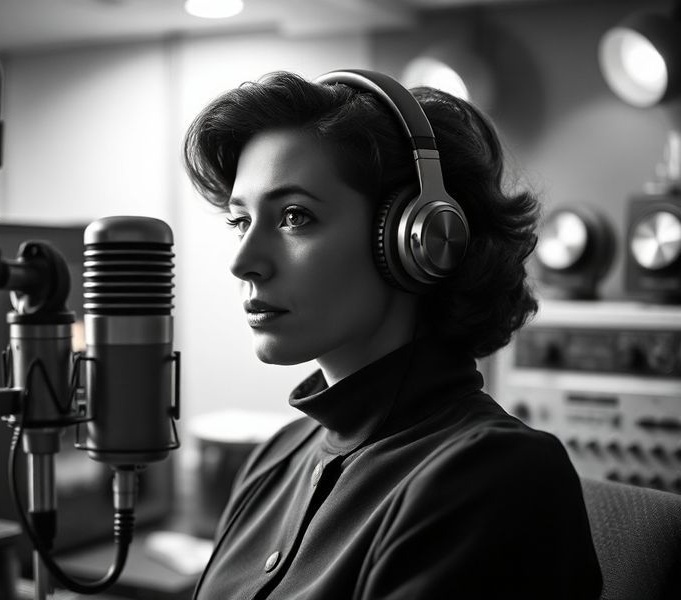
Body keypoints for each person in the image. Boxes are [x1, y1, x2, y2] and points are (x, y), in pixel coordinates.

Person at [182, 69, 602, 599]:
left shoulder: (495, 477)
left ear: (419, 239)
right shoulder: (278, 458)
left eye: (294, 216)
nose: (244, 263)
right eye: (239, 222)